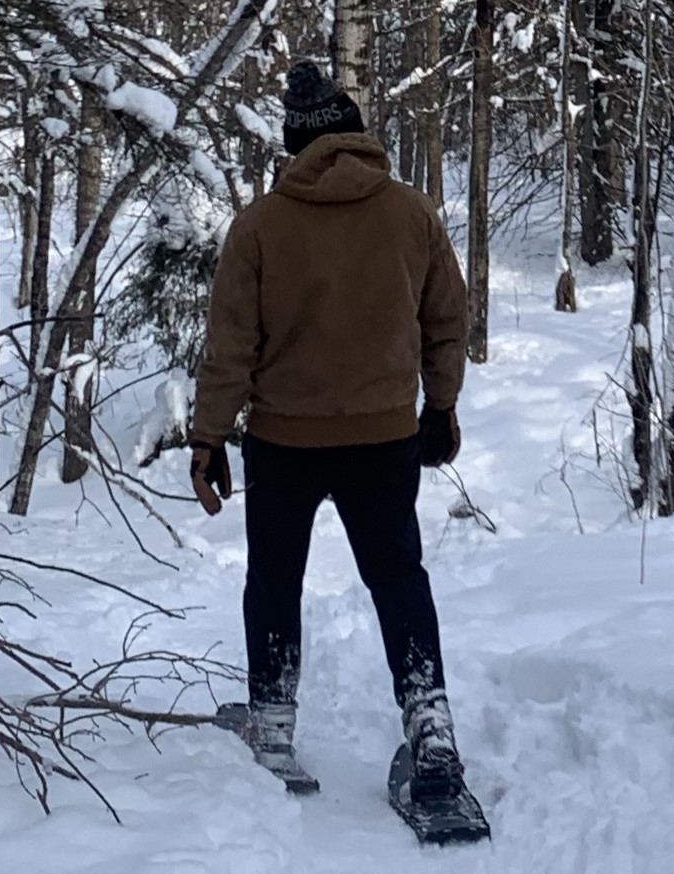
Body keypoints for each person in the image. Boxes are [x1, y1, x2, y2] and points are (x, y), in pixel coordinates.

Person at [188, 60, 471, 803]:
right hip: (384, 439)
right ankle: (431, 730)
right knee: (398, 579)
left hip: (284, 442)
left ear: (293, 145)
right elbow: (445, 319)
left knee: (274, 579)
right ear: (355, 134)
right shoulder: (411, 213)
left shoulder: (259, 226)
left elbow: (231, 346)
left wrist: (208, 439)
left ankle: (274, 727)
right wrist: (440, 406)